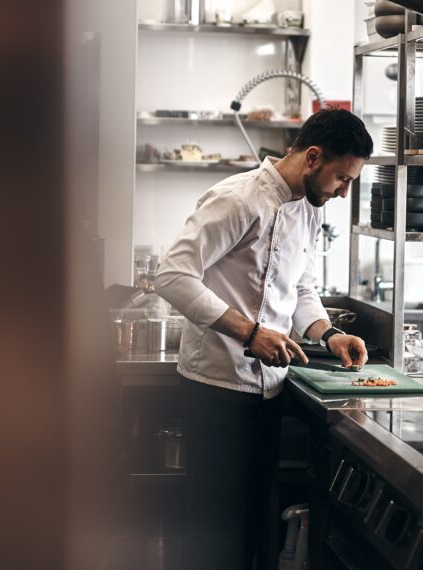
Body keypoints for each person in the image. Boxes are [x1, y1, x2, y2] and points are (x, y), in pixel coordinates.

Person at [154, 108, 374, 569]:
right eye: (342, 178)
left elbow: (300, 288)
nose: (343, 191)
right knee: (214, 533)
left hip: (269, 390)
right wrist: (249, 332)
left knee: (254, 527)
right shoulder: (237, 199)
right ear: (313, 157)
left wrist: (328, 333)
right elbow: (172, 275)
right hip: (215, 387)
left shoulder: (309, 209)